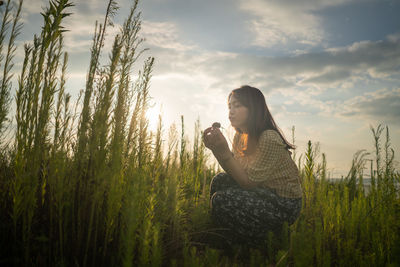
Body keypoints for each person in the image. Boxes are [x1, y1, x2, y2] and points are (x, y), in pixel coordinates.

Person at [202, 85, 302, 247]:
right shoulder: (240, 136)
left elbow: (247, 182)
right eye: (229, 106)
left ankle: (265, 243)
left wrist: (224, 153)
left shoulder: (268, 138)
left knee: (221, 200)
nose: (231, 111)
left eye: (238, 105)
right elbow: (236, 171)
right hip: (263, 190)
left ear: (253, 109)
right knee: (220, 180)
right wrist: (217, 150)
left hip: (282, 203)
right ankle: (227, 235)